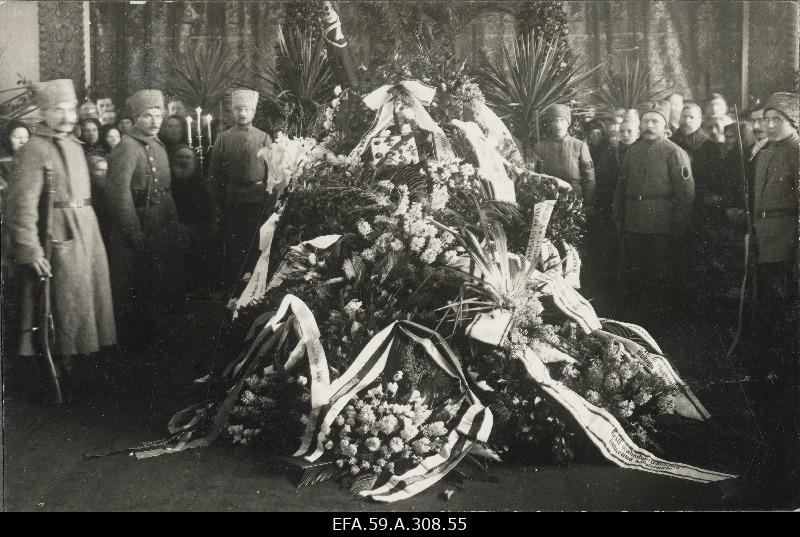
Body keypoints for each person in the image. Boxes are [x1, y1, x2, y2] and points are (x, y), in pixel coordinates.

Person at [6, 79, 116, 400]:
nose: (68, 116)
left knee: (86, 305)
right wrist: (29, 248)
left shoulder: (74, 145)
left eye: (71, 109)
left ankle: (82, 372)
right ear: (43, 112)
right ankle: (59, 374)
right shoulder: (33, 150)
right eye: (58, 109)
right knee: (61, 307)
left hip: (86, 235)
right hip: (58, 238)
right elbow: (20, 206)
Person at [106, 89, 185, 346]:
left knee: (158, 280)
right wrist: (132, 229)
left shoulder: (158, 147)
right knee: (136, 283)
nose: (154, 121)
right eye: (147, 116)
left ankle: (154, 334)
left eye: (158, 115)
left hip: (160, 224)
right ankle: (135, 340)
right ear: (135, 119)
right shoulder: (127, 147)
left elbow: (165, 190)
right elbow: (118, 193)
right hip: (139, 225)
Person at [613, 100, 694, 325]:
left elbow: (686, 195)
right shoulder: (632, 151)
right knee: (635, 273)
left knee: (659, 275)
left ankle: (659, 321)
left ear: (665, 125)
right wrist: (618, 216)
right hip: (634, 223)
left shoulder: (674, 153)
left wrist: (678, 227)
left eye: (655, 121)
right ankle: (637, 321)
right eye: (646, 120)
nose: (649, 125)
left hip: (661, 226)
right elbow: (621, 187)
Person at [209, 88, 271, 291]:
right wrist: (217, 204)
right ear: (233, 113)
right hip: (232, 200)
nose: (242, 113)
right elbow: (214, 175)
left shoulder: (263, 138)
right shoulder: (223, 138)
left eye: (246, 109)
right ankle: (233, 290)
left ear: (253, 112)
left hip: (258, 201)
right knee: (234, 247)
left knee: (256, 245)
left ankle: (255, 289)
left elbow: (273, 173)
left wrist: (270, 201)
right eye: (238, 109)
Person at [531, 104, 596, 210]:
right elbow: (535, 176)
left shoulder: (579, 145)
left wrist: (588, 204)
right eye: (554, 121)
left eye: (562, 120)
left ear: (568, 123)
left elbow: (589, 178)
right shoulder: (540, 147)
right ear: (550, 124)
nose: (558, 125)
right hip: (549, 199)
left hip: (574, 199)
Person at [87, 155, 112, 245]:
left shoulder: (108, 187)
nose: (104, 174)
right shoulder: (87, 188)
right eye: (99, 170)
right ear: (90, 170)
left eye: (106, 170)